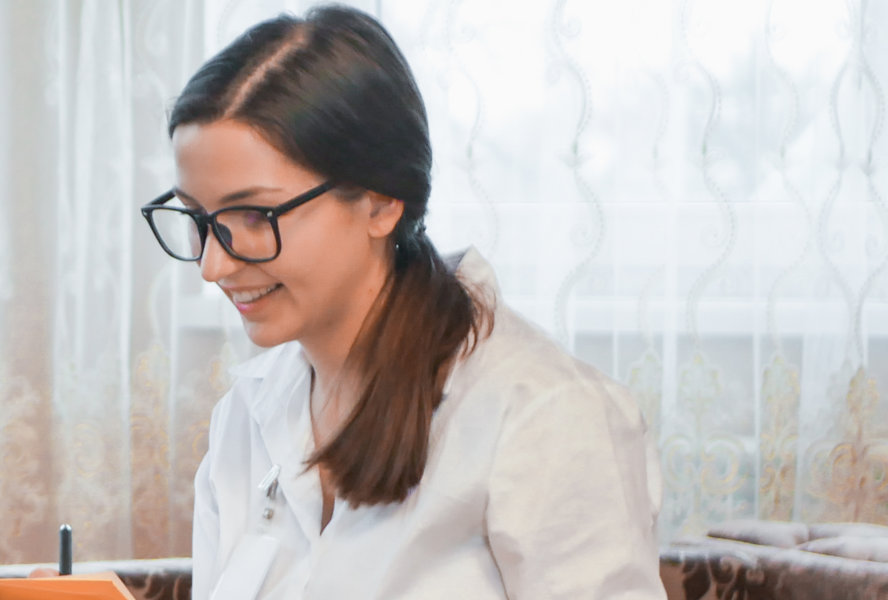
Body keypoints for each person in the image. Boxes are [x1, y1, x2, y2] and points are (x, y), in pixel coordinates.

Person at [141, 5, 662, 598]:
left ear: (381, 202)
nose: (213, 264)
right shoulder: (245, 418)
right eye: (197, 218)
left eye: (254, 217)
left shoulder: (544, 416)